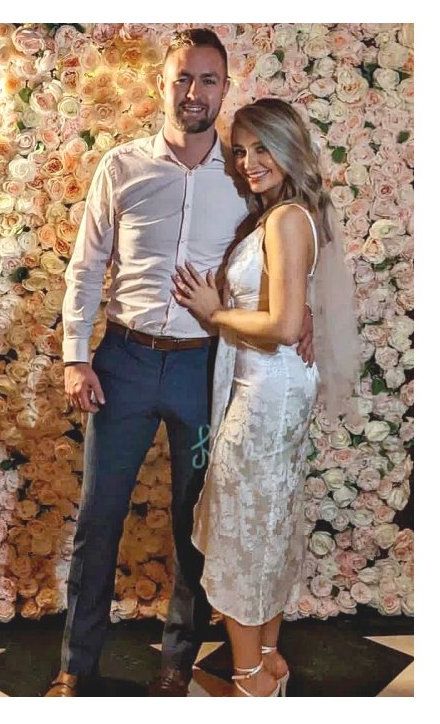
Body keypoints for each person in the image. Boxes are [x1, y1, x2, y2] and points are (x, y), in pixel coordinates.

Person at [50, 27, 250, 698]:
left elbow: (270, 263)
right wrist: (77, 358)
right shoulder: (122, 166)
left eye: (208, 80)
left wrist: (295, 315)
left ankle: (176, 663)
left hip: (204, 368)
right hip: (125, 363)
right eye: (183, 79)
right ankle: (78, 667)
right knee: (98, 518)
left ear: (226, 87)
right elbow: (87, 267)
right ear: (162, 85)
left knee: (195, 521)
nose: (194, 92)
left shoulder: (244, 173)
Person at [166, 97, 361, 698]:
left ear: (289, 146)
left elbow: (278, 326)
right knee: (264, 519)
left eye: (261, 148)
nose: (249, 162)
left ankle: (249, 681)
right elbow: (290, 315)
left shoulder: (283, 220)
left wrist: (213, 311)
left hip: (267, 391)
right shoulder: (287, 215)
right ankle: (270, 661)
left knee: (245, 526)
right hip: (272, 386)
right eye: (241, 151)